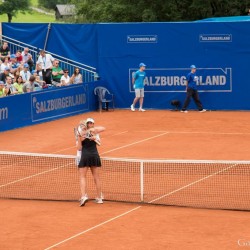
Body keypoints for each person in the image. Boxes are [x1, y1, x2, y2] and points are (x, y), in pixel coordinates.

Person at [75, 118, 105, 207]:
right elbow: (99, 142)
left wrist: (80, 139)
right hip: (95, 156)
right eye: (89, 123)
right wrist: (93, 137)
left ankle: (83, 196)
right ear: (87, 125)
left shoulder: (81, 135)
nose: (90, 124)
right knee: (97, 178)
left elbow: (79, 148)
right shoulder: (94, 133)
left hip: (85, 157)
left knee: (82, 177)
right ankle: (99, 198)